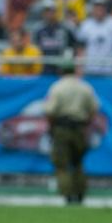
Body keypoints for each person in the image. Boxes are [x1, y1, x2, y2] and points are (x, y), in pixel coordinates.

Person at [44, 61, 100, 205]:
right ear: (75, 71)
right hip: (80, 128)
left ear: (61, 71)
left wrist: (51, 127)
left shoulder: (57, 87)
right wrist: (86, 124)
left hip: (62, 128)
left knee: (62, 164)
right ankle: (80, 194)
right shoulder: (85, 87)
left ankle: (68, 195)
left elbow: (50, 111)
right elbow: (94, 109)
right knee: (78, 163)